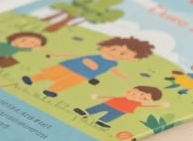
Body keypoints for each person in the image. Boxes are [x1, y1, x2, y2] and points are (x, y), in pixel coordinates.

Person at [22, 36, 154, 96]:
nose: (115, 53)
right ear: (105, 46)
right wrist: (56, 55)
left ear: (131, 58)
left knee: (66, 83)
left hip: (83, 75)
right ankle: (32, 79)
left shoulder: (113, 63)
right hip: (67, 66)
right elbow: (73, 55)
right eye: (113, 49)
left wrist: (124, 77)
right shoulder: (94, 55)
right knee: (49, 74)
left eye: (123, 54)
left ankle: (52, 90)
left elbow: (114, 71)